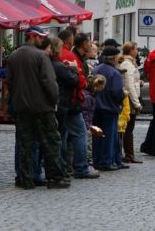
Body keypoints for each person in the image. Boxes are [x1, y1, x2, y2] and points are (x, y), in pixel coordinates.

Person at [7, 26, 70, 189]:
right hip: (42, 108)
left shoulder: (13, 56)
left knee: (25, 144)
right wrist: (54, 101)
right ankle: (55, 178)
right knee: (51, 142)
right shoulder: (41, 56)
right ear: (33, 36)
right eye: (41, 37)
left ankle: (25, 179)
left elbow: (10, 83)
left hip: (22, 108)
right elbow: (50, 83)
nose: (43, 40)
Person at [49, 37, 99, 179]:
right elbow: (79, 81)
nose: (91, 44)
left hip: (62, 103)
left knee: (63, 136)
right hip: (69, 103)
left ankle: (64, 168)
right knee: (79, 133)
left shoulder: (59, 58)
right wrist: (75, 70)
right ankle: (80, 167)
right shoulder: (68, 57)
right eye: (89, 42)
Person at [91, 47, 126, 171]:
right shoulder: (114, 73)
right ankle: (106, 162)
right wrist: (123, 95)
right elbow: (116, 92)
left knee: (97, 136)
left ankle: (97, 161)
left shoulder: (96, 69)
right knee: (109, 137)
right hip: (110, 108)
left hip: (96, 107)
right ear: (114, 57)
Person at [119, 42, 143, 163]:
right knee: (128, 128)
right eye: (136, 49)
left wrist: (139, 82)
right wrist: (136, 102)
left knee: (128, 128)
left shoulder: (129, 63)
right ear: (131, 50)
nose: (137, 51)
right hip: (129, 99)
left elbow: (132, 82)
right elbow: (129, 85)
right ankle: (129, 154)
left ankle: (129, 154)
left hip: (130, 97)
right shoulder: (128, 64)